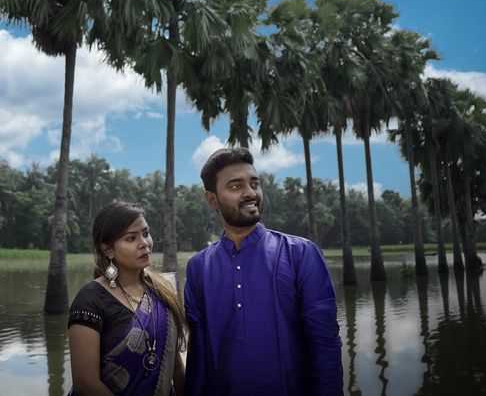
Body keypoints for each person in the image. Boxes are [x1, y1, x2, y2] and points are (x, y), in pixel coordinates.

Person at [184, 147, 342, 395]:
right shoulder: (198, 267)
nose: (250, 193)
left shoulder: (301, 254)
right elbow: (198, 354)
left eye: (254, 184)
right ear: (212, 199)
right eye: (236, 186)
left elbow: (325, 343)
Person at [68, 201, 186, 395]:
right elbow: (85, 383)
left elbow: (174, 365)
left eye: (146, 234)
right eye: (131, 238)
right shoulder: (91, 300)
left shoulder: (163, 291)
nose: (144, 243)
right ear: (108, 250)